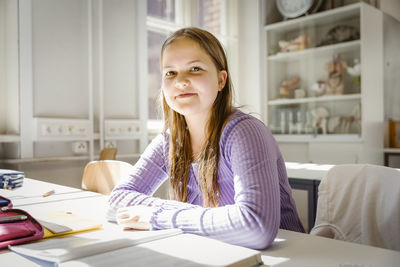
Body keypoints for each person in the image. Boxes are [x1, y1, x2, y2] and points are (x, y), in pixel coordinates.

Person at [107, 27, 304, 250]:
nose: (181, 81)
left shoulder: (245, 132)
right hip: (217, 250)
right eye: (170, 73)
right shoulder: (169, 140)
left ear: (221, 81)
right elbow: (117, 200)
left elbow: (255, 227)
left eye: (195, 69)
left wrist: (156, 216)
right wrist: (181, 215)